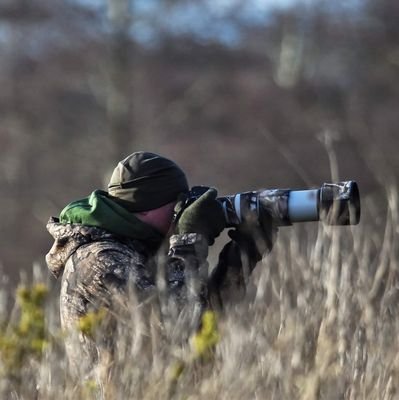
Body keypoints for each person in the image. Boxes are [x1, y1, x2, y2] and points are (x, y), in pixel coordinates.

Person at [45, 151, 274, 381]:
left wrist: (240, 258)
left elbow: (202, 325)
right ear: (146, 207)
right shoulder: (99, 259)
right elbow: (176, 325)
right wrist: (189, 240)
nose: (180, 213)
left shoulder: (141, 249)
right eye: (177, 204)